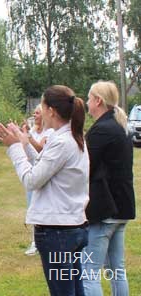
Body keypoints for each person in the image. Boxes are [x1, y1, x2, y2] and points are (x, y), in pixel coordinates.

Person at [0, 85, 89, 295]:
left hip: (58, 233)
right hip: (72, 228)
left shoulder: (62, 142)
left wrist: (14, 148)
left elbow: (31, 180)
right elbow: (45, 165)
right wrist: (24, 142)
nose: (39, 111)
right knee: (73, 289)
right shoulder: (70, 138)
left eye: (42, 106)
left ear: (51, 111)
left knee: (63, 291)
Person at [82, 81, 136, 296]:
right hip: (121, 207)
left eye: (88, 98)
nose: (86, 103)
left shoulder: (102, 130)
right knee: (116, 271)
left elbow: (86, 166)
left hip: (105, 209)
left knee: (89, 272)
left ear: (98, 101)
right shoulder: (119, 126)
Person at [22, 104, 53, 256]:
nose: (35, 115)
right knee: (31, 207)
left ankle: (44, 241)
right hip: (32, 171)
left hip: (44, 173)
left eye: (38, 113)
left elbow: (40, 149)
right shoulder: (33, 130)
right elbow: (27, 150)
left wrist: (28, 138)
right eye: (34, 113)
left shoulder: (49, 132)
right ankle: (35, 242)